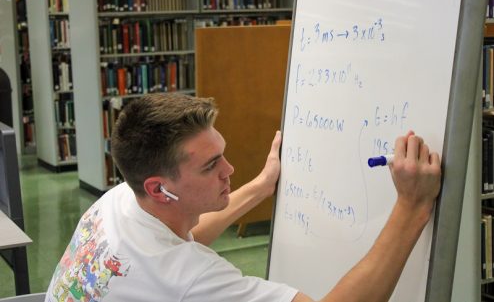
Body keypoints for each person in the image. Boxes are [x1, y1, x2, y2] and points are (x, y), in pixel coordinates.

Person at [44, 93, 441, 302]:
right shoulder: (190, 280)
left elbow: (185, 237)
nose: (229, 171)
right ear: (158, 188)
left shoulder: (118, 201)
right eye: (210, 166)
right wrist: (411, 206)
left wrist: (261, 187)